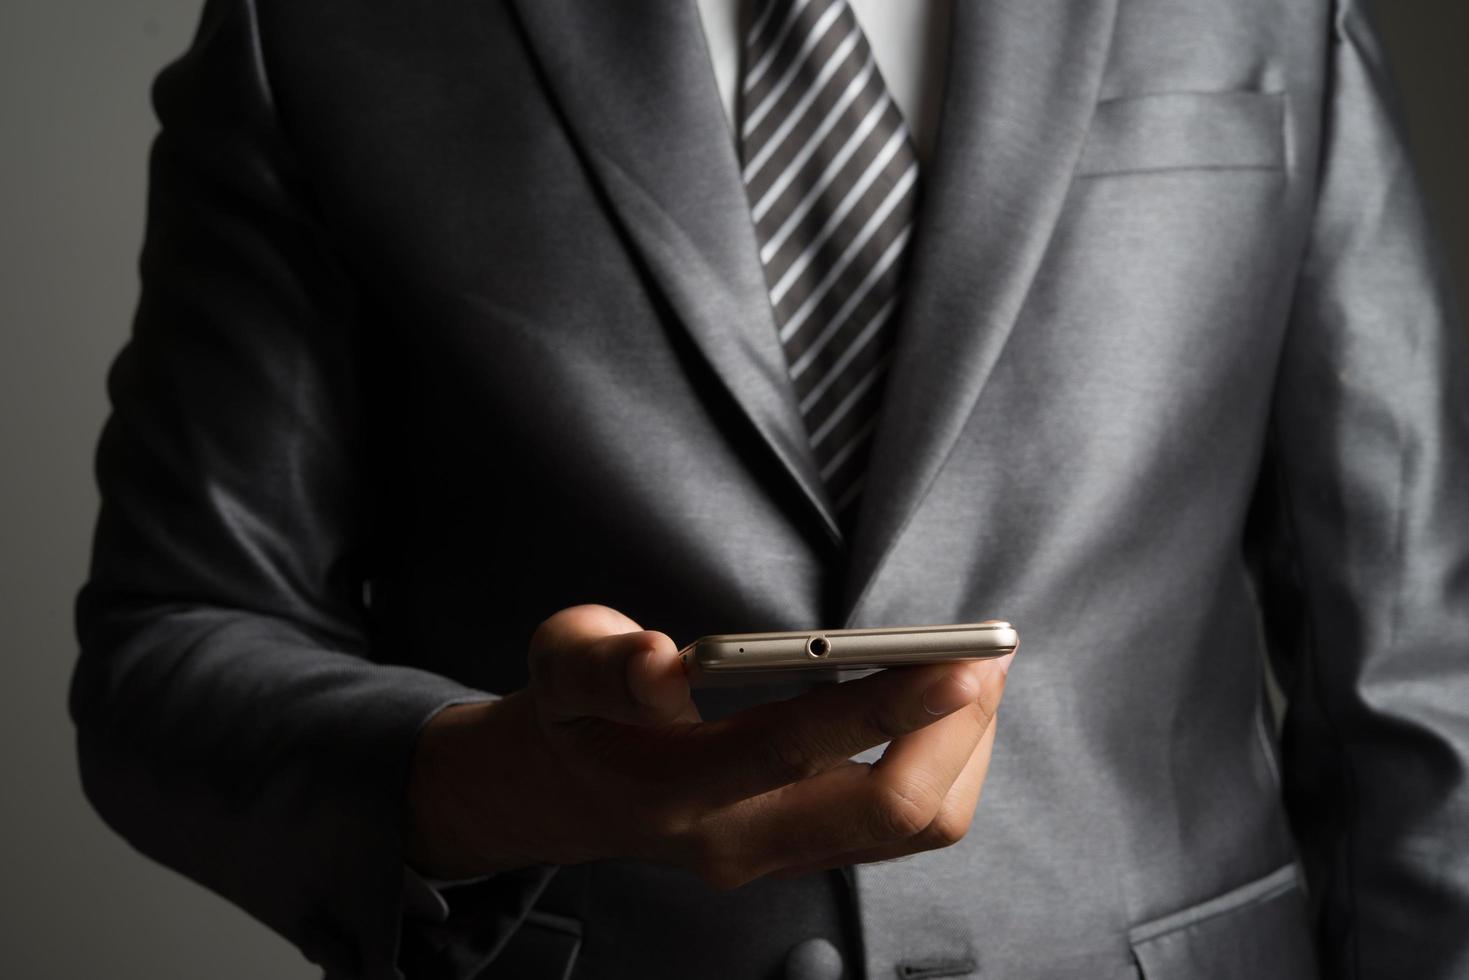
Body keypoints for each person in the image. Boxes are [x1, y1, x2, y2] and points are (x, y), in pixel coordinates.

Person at [71, 0, 1469, 977]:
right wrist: (479, 787)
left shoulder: (1278, 11)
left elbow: (1414, 665)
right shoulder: (316, 27)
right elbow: (173, 638)